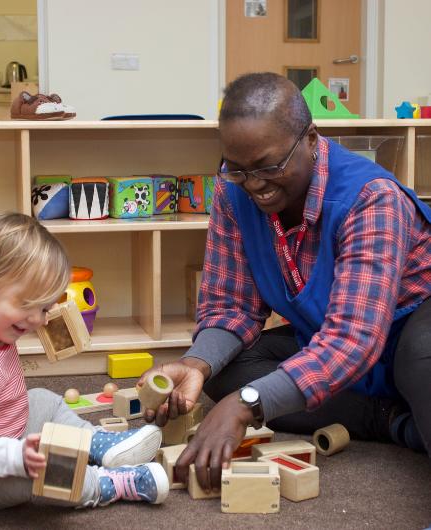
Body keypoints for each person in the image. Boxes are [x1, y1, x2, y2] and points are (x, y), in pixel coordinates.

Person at [140, 72, 431, 491]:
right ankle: (389, 421)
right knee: (224, 372)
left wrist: (248, 406)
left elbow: (354, 338)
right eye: (237, 169)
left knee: (421, 355)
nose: (255, 184)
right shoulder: (231, 192)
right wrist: (195, 363)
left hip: (408, 333)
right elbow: (230, 306)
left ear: (311, 140)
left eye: (269, 166)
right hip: (330, 337)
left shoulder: (371, 198)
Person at [0, 212, 169, 509]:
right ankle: (105, 483)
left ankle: (93, 443)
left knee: (42, 399)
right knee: (51, 474)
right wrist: (16, 457)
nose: (37, 320)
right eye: (27, 305)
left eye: (44, 308)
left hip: (7, 428)